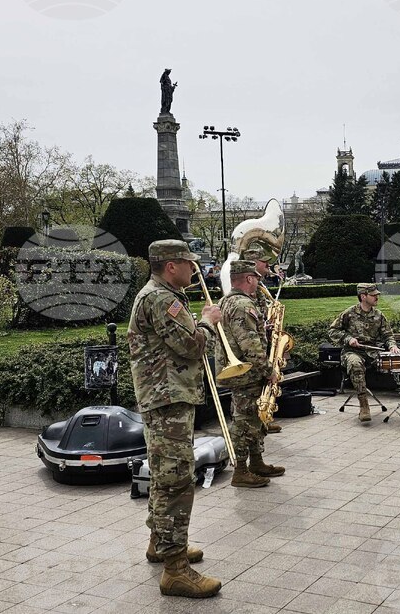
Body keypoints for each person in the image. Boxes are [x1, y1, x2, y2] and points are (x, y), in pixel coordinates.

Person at [128, 240, 222, 598]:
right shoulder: (161, 299)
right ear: (171, 266)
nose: (194, 269)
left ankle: (160, 544)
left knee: (164, 474)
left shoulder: (159, 294)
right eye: (189, 263)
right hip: (167, 400)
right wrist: (207, 323)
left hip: (165, 398)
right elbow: (192, 345)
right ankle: (175, 569)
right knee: (177, 481)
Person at [215, 259, 286, 488]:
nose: (258, 281)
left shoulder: (227, 301)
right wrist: (269, 370)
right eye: (256, 277)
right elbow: (250, 345)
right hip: (247, 372)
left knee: (255, 418)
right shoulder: (244, 306)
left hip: (238, 371)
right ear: (248, 278)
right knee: (245, 420)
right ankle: (241, 470)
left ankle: (256, 462)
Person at [328, 283, 400, 422]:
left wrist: (392, 346)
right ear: (363, 296)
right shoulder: (349, 313)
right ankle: (364, 406)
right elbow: (333, 331)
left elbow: (388, 336)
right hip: (353, 351)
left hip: (374, 353)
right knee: (355, 363)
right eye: (373, 295)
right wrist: (348, 339)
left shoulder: (379, 315)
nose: (377, 297)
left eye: (377, 294)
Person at [240, 243, 284, 434]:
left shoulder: (260, 286)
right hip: (250, 351)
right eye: (264, 262)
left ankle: (264, 418)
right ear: (253, 263)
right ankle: (259, 420)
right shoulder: (247, 287)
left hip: (263, 341)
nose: (268, 267)